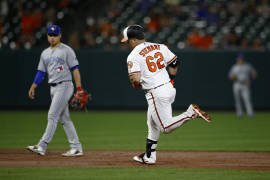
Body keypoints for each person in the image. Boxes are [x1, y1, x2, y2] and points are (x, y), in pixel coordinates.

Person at [121, 25, 211, 164]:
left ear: (132, 40)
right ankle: (149, 156)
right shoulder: (159, 46)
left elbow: (135, 79)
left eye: (127, 41)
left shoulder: (133, 55)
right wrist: (171, 79)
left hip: (155, 92)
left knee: (166, 127)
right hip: (168, 87)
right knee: (151, 123)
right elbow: (175, 62)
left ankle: (191, 113)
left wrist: (136, 83)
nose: (127, 44)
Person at [26, 25, 84, 156]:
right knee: (64, 118)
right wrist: (33, 86)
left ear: (60, 35)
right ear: (47, 36)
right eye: (50, 35)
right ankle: (76, 148)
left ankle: (42, 146)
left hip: (65, 86)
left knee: (52, 115)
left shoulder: (66, 50)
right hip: (53, 88)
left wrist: (79, 88)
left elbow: (75, 69)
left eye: (55, 35)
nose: (52, 38)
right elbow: (41, 72)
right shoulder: (45, 53)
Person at [229, 53, 257, 119]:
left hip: (245, 84)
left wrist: (251, 81)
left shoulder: (248, 66)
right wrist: (233, 77)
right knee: (237, 100)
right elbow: (230, 77)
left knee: (247, 99)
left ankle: (250, 114)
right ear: (237, 59)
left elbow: (254, 74)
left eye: (241, 59)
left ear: (243, 59)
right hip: (237, 84)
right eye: (239, 59)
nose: (240, 60)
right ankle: (240, 114)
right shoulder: (234, 67)